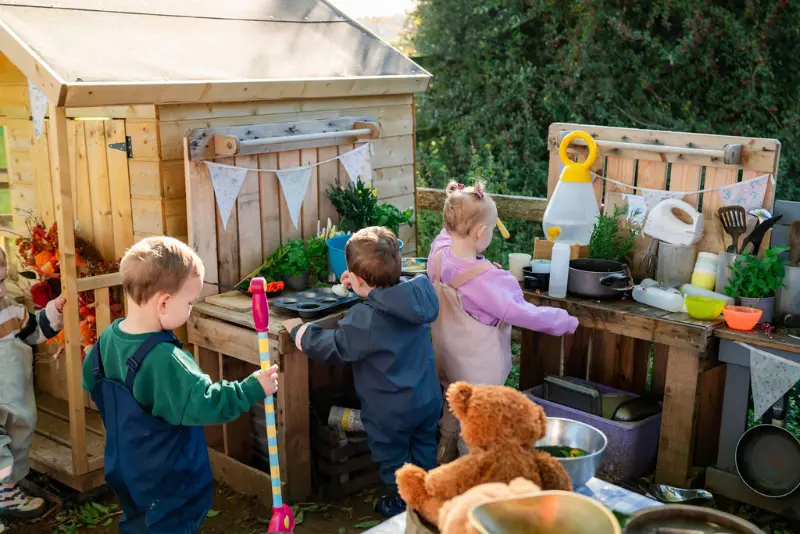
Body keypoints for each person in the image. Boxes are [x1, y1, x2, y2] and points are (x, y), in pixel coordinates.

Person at [81, 237, 279, 533]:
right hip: (169, 478)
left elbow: (90, 378)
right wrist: (251, 388)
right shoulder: (167, 360)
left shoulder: (109, 337)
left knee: (140, 523)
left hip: (126, 468)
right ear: (163, 302)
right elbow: (208, 402)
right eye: (189, 302)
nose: (190, 310)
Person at [284, 227, 441, 518]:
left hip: (390, 411)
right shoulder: (418, 294)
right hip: (426, 398)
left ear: (356, 280)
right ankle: (428, 495)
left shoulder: (364, 319)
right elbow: (388, 301)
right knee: (424, 446)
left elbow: (335, 346)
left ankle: (404, 503)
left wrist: (300, 332)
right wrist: (363, 288)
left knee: (392, 458)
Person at [428, 181, 579, 464]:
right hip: (478, 371)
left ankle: (441, 461)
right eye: (492, 229)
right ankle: (473, 478)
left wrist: (459, 206)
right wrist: (564, 321)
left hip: (445, 360)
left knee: (454, 408)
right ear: (481, 233)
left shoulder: (437, 254)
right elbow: (526, 314)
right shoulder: (487, 279)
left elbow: (447, 234)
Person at [0, 247, 65, 533]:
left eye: (1, 281)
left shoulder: (11, 311)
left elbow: (36, 331)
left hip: (15, 400)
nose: (0, 290)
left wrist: (55, 309)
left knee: (17, 438)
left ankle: (7, 491)